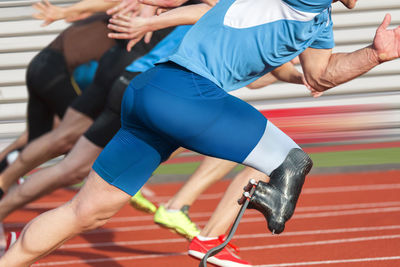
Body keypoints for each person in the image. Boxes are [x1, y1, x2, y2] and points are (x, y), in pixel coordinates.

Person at [2, 1, 400, 267]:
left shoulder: (319, 21)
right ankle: (214, 235)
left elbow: (321, 75)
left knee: (86, 213)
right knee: (290, 158)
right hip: (183, 92)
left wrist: (375, 54)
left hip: (154, 92)